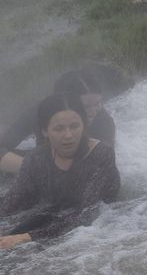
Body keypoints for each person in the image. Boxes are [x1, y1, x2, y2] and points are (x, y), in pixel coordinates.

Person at [0, 94, 120, 249]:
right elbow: (11, 204)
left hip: (105, 225)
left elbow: (86, 215)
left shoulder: (101, 153)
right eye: (59, 128)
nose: (68, 135)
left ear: (84, 126)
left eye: (75, 126)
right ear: (45, 131)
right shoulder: (37, 158)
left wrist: (28, 237)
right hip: (55, 213)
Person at [2, 66, 118, 175]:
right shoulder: (39, 112)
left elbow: (101, 166)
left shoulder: (103, 122)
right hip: (41, 165)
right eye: (86, 106)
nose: (93, 112)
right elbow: (3, 144)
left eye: (98, 104)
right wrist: (33, 170)